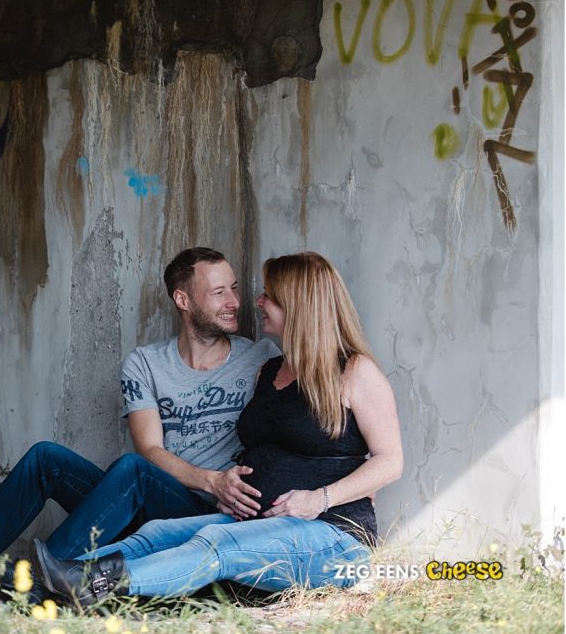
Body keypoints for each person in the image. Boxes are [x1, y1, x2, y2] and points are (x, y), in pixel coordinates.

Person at [30, 251, 404, 605]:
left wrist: (321, 497)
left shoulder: (355, 372)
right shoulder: (270, 371)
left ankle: (92, 584)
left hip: (332, 535)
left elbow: (390, 462)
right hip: (254, 523)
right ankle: (45, 580)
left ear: (298, 306)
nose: (256, 302)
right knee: (157, 534)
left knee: (214, 540)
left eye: (269, 296)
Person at [0, 247, 280, 565]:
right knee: (47, 458)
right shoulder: (146, 363)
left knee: (132, 471)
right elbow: (150, 450)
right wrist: (211, 480)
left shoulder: (260, 359)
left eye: (234, 289)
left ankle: (44, 578)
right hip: (148, 497)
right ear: (183, 300)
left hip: (210, 513)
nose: (234, 302)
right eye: (219, 292)